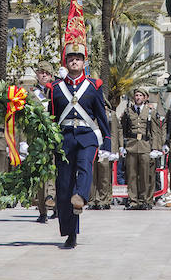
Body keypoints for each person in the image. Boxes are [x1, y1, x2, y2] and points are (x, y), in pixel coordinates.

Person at [47, 43, 111, 249]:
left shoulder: (93, 86)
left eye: (78, 58)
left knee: (85, 167)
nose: (74, 61)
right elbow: (51, 117)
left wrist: (107, 144)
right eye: (71, 58)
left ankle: (81, 196)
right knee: (64, 186)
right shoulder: (56, 89)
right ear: (66, 62)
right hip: (64, 139)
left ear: (84, 62)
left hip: (86, 137)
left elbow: (101, 116)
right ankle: (70, 232)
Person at [120, 87, 162, 210]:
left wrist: (155, 148)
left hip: (145, 146)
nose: (138, 97)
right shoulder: (128, 111)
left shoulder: (151, 112)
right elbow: (122, 129)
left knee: (145, 175)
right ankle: (133, 200)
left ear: (145, 98)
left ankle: (145, 200)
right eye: (136, 95)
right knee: (131, 175)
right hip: (132, 146)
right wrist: (122, 146)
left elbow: (155, 131)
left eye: (140, 95)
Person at [31, 61, 57, 222]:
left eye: (47, 73)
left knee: (55, 172)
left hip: (54, 137)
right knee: (40, 174)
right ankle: (42, 211)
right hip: (37, 138)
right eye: (41, 72)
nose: (44, 75)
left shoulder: (57, 91)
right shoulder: (31, 93)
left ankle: (55, 204)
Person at [89, 98, 121, 210]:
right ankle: (92, 200)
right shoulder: (90, 113)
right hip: (93, 147)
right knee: (92, 175)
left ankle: (103, 199)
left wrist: (113, 150)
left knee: (104, 176)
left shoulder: (110, 115)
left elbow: (114, 133)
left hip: (105, 148)